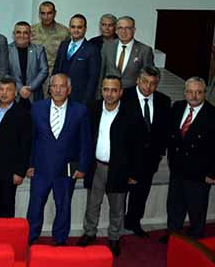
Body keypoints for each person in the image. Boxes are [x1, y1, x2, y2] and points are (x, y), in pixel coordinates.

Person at [77, 76, 143, 257]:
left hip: (119, 170)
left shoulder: (131, 113)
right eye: (106, 89)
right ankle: (89, 232)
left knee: (117, 207)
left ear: (121, 92)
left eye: (114, 90)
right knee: (92, 204)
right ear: (102, 90)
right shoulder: (93, 108)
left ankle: (114, 237)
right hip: (96, 167)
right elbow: (85, 138)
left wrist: (133, 173)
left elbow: (137, 147)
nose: (109, 94)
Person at [26, 73, 92, 245]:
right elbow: (31, 139)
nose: (57, 90)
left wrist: (82, 167)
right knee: (35, 206)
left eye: (62, 86)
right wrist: (29, 164)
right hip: (40, 168)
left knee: (63, 206)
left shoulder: (80, 111)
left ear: (69, 89)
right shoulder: (37, 108)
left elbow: (85, 142)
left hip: (66, 169)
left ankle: (60, 239)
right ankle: (31, 237)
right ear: (49, 89)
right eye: (54, 86)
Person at [163, 77, 215, 242]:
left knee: (196, 209)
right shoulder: (177, 107)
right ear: (185, 93)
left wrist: (213, 173)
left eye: (198, 92)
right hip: (177, 169)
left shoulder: (212, 114)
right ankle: (173, 237)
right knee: (174, 206)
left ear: (204, 93)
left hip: (200, 174)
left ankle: (195, 242)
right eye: (190, 92)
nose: (194, 96)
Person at [122, 66, 172, 237]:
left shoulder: (164, 101)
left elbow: (165, 130)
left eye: (153, 83)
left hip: (149, 159)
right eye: (145, 81)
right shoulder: (124, 96)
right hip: (127, 157)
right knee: (121, 194)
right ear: (137, 80)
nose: (148, 87)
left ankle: (134, 222)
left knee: (141, 194)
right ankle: (118, 223)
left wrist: (159, 154)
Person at [0, 76, 31, 218]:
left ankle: (5, 233)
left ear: (15, 93)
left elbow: (25, 145)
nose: (4, 93)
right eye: (1, 89)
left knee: (6, 209)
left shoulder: (22, 113)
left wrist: (20, 172)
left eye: (8, 90)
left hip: (10, 171)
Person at [53, 14, 101, 105]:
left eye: (79, 27)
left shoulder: (92, 49)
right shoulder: (63, 45)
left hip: (79, 98)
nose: (76, 30)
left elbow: (93, 78)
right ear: (69, 28)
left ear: (85, 29)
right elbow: (56, 69)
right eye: (73, 27)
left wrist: (86, 101)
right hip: (59, 95)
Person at [100, 16, 155, 89]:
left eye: (127, 28)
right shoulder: (107, 46)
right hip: (110, 92)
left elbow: (149, 77)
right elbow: (101, 72)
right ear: (116, 30)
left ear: (134, 30)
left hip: (132, 93)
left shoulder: (145, 50)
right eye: (120, 28)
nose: (123, 31)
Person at [30, 1, 69, 95]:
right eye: (43, 13)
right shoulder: (31, 31)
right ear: (39, 14)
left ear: (55, 13)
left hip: (55, 78)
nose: (46, 16)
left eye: (49, 13)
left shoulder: (64, 32)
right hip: (34, 77)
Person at [8, 22, 48, 103]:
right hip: (14, 96)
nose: (22, 35)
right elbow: (4, 72)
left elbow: (44, 71)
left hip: (34, 96)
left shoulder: (39, 50)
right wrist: (20, 88)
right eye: (18, 32)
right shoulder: (6, 50)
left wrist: (30, 88)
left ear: (30, 35)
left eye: (25, 33)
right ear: (13, 34)